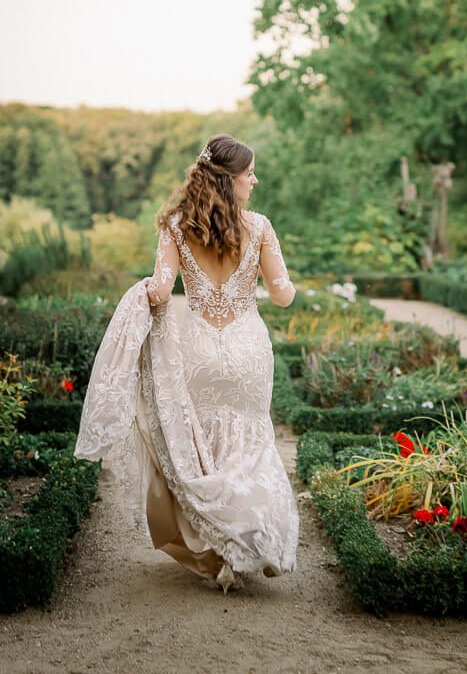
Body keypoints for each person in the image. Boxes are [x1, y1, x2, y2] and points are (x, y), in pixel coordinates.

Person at [74, 133, 299, 596]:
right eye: (249, 173)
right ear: (229, 180)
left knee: (203, 448)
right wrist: (284, 283)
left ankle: (221, 554)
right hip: (247, 349)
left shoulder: (176, 226)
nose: (254, 180)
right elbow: (282, 295)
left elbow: (160, 290)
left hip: (198, 351)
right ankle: (252, 543)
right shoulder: (260, 227)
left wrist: (141, 296)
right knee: (250, 443)